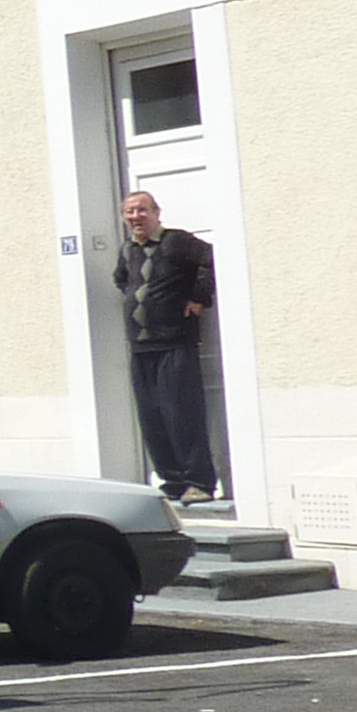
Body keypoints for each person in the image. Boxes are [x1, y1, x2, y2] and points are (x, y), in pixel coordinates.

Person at [114, 189, 218, 503]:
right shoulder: (128, 249)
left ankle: (199, 483)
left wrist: (198, 297)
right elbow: (121, 280)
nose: (136, 217)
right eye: (130, 212)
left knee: (182, 413)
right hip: (141, 347)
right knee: (152, 417)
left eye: (142, 210)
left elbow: (212, 260)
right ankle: (171, 482)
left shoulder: (177, 241)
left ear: (156, 212)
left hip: (174, 343)